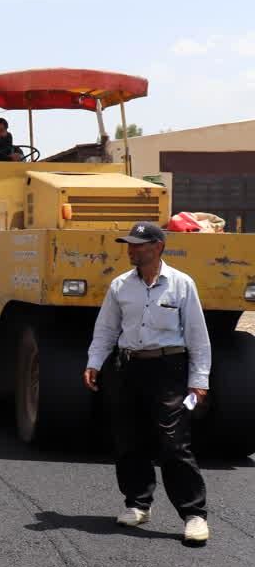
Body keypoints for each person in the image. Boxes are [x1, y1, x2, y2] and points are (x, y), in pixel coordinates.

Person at [84, 221, 212, 545]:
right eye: (129, 245)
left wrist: (199, 381)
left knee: (173, 442)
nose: (130, 250)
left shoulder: (182, 285)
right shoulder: (120, 286)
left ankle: (194, 514)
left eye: (137, 245)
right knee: (128, 439)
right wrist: (94, 363)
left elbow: (198, 338)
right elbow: (106, 330)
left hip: (169, 369)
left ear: (157, 247)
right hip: (128, 369)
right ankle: (138, 504)